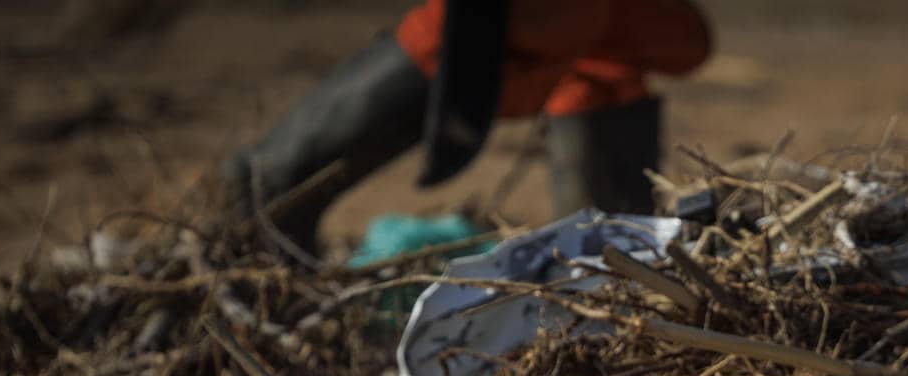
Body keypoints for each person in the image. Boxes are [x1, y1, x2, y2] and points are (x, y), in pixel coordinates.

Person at [227, 0, 712, 252]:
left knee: (637, 47)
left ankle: (608, 269)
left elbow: (685, 45)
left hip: (578, 45)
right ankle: (269, 201)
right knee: (272, 184)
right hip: (475, 35)